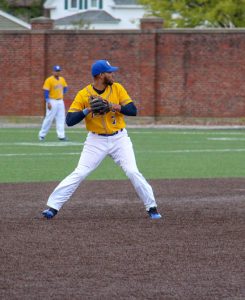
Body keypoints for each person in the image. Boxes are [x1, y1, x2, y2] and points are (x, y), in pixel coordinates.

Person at [42, 59, 162, 220]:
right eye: (109, 72)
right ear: (100, 75)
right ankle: (52, 207)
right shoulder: (84, 94)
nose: (113, 74)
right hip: (95, 141)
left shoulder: (117, 88)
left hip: (119, 139)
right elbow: (69, 121)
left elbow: (133, 110)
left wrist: (113, 106)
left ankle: (152, 207)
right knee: (80, 172)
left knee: (133, 171)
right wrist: (88, 110)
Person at [38, 65, 68, 141]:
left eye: (58, 71)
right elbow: (46, 91)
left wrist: (62, 93)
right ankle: (42, 135)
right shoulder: (49, 80)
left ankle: (61, 136)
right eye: (56, 71)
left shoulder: (62, 79)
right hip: (52, 101)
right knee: (49, 118)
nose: (57, 72)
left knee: (61, 118)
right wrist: (48, 102)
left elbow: (65, 88)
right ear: (53, 71)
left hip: (60, 101)